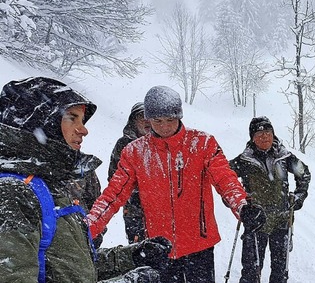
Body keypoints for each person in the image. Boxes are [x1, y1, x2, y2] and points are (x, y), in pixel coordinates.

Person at [0, 76, 172, 282]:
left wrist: (130, 257)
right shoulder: (13, 193)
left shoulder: (48, 186)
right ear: (40, 120)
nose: (84, 129)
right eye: (72, 118)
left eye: (82, 120)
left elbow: (71, 266)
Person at [87, 85, 266, 283]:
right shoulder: (135, 152)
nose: (164, 126)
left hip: (200, 245)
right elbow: (113, 195)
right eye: (157, 121)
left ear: (179, 116)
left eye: (170, 120)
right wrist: (86, 230)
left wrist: (241, 206)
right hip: (159, 247)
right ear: (149, 120)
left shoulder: (202, 143)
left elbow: (225, 179)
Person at [229, 116, 311, 283]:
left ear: (273, 134)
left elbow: (304, 173)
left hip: (281, 220)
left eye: (267, 132)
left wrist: (299, 196)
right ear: (252, 138)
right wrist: (239, 203)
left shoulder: (285, 157)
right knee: (251, 271)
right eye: (259, 133)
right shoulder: (244, 161)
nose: (264, 136)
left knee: (280, 271)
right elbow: (225, 179)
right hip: (255, 222)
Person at [108, 102, 151, 244]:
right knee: (138, 250)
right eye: (141, 117)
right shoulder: (123, 144)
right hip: (134, 212)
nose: (146, 120)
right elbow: (113, 178)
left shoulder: (161, 143)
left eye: (149, 116)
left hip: (161, 211)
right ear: (133, 121)